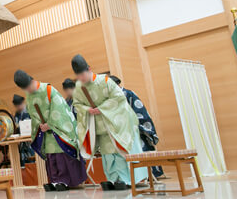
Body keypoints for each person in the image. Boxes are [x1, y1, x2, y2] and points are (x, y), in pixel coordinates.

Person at [71, 55, 147, 191]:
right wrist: (87, 109)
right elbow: (77, 104)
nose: (81, 78)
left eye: (83, 74)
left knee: (120, 151)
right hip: (100, 126)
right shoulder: (79, 87)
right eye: (78, 76)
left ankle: (126, 179)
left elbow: (119, 98)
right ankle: (112, 179)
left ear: (89, 69)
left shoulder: (105, 81)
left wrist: (102, 109)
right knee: (107, 154)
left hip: (116, 124)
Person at [14, 70, 86, 191]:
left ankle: (65, 180)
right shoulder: (29, 97)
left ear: (32, 81)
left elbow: (60, 109)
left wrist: (51, 124)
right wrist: (40, 125)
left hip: (58, 129)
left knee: (61, 153)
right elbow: (33, 114)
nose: (29, 91)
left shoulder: (48, 90)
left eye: (29, 87)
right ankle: (55, 180)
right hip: (46, 132)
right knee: (51, 156)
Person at [110, 76, 164, 179]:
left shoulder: (129, 94)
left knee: (142, 150)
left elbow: (140, 110)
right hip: (122, 131)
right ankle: (137, 177)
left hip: (135, 129)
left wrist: (135, 124)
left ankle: (151, 175)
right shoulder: (112, 98)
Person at [12, 94, 37, 167]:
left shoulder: (29, 110)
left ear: (23, 102)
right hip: (21, 142)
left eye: (20, 105)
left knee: (32, 160)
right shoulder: (16, 114)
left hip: (30, 140)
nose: (19, 107)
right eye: (17, 106)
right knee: (23, 161)